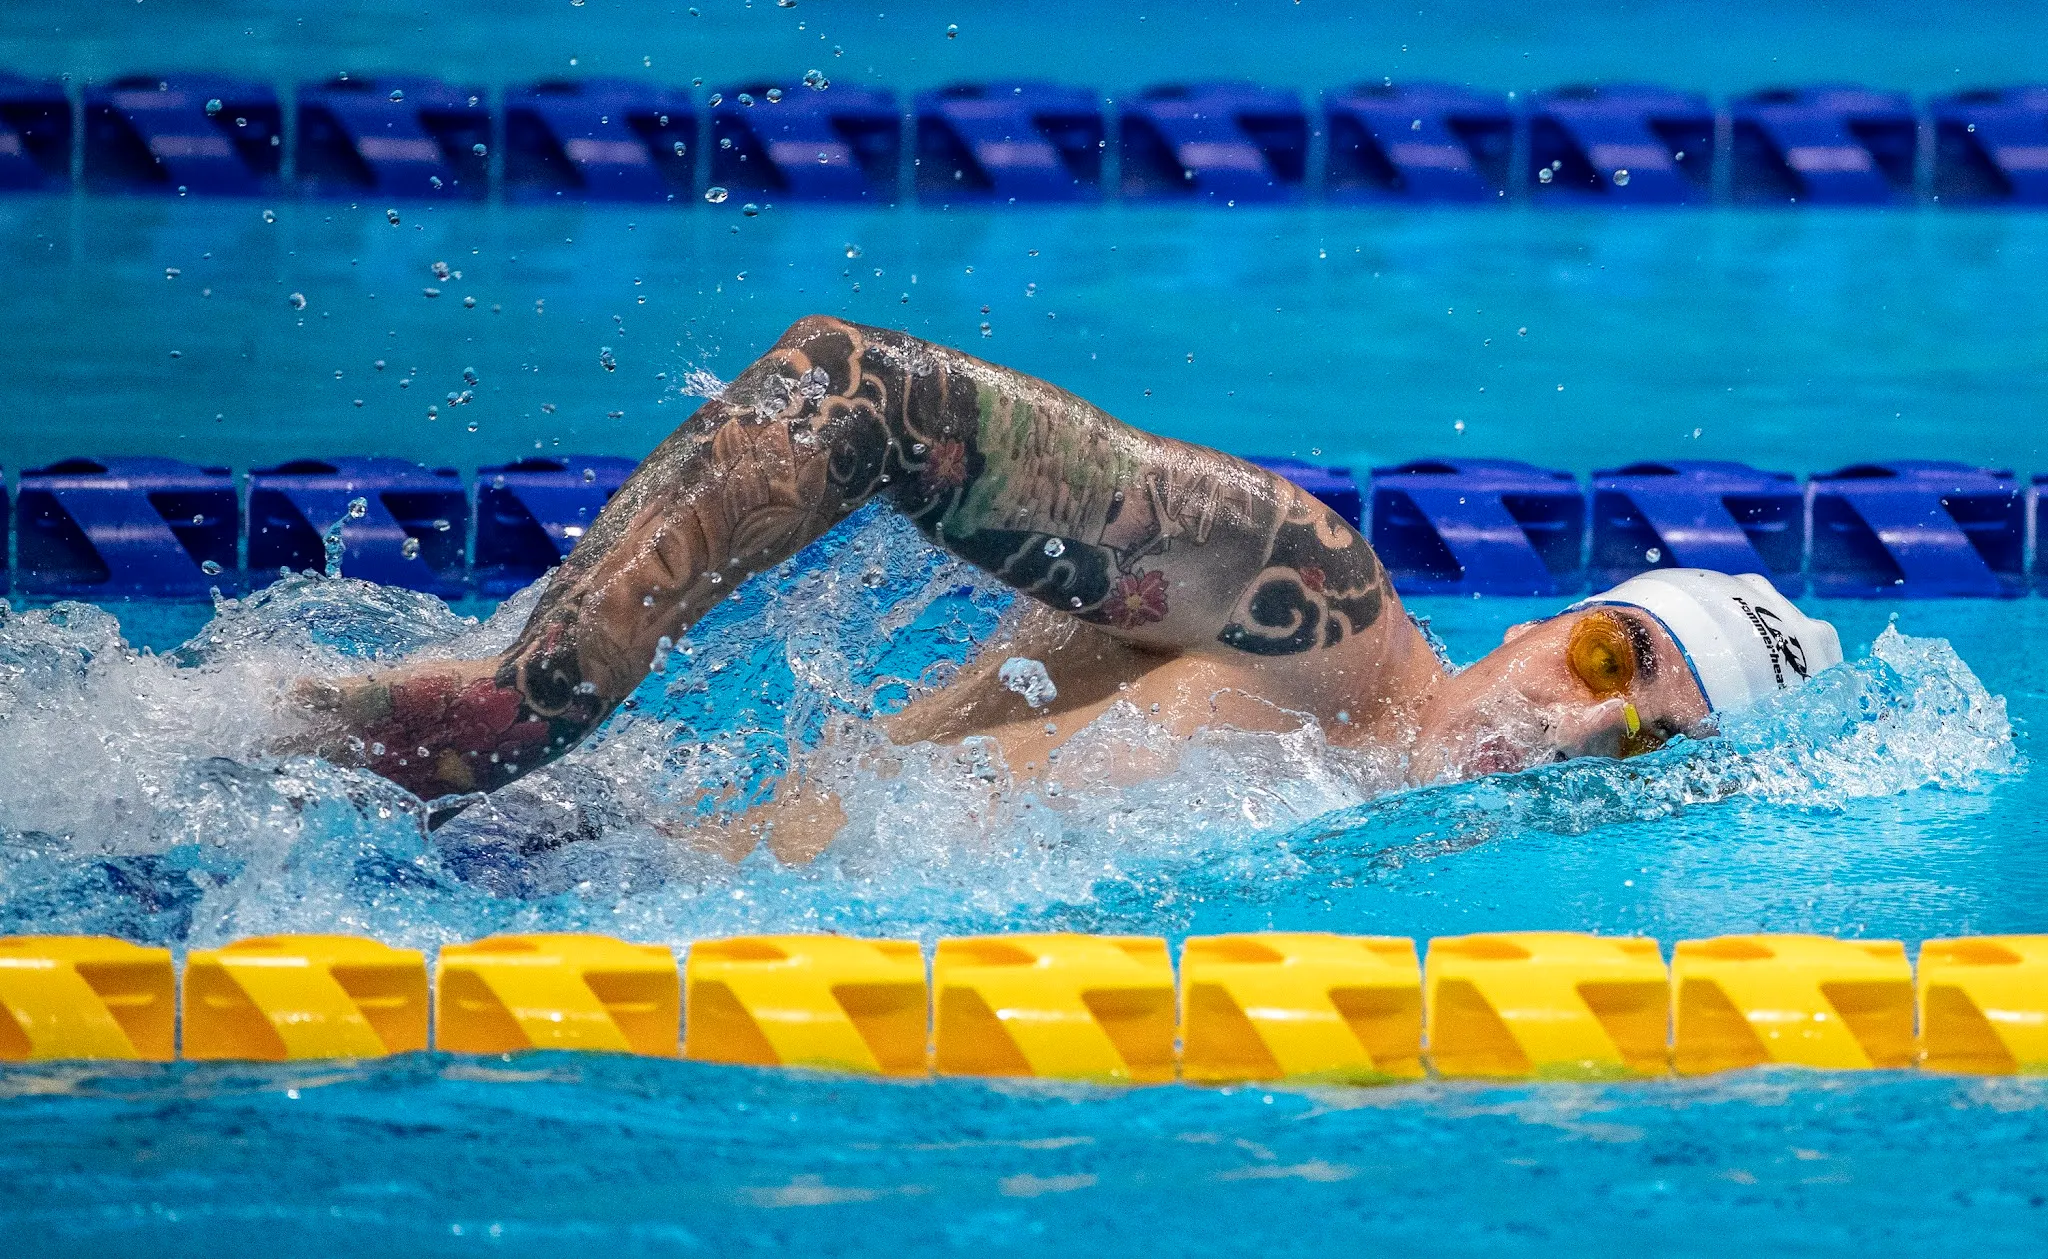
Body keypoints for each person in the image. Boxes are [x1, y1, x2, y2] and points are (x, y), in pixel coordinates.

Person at [299, 316, 1843, 853]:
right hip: (504, 842)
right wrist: (533, 693)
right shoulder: (1314, 608)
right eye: (1606, 664)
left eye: (1642, 744)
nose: (1577, 732)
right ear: (1544, 620)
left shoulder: (1382, 873)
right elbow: (860, 394)